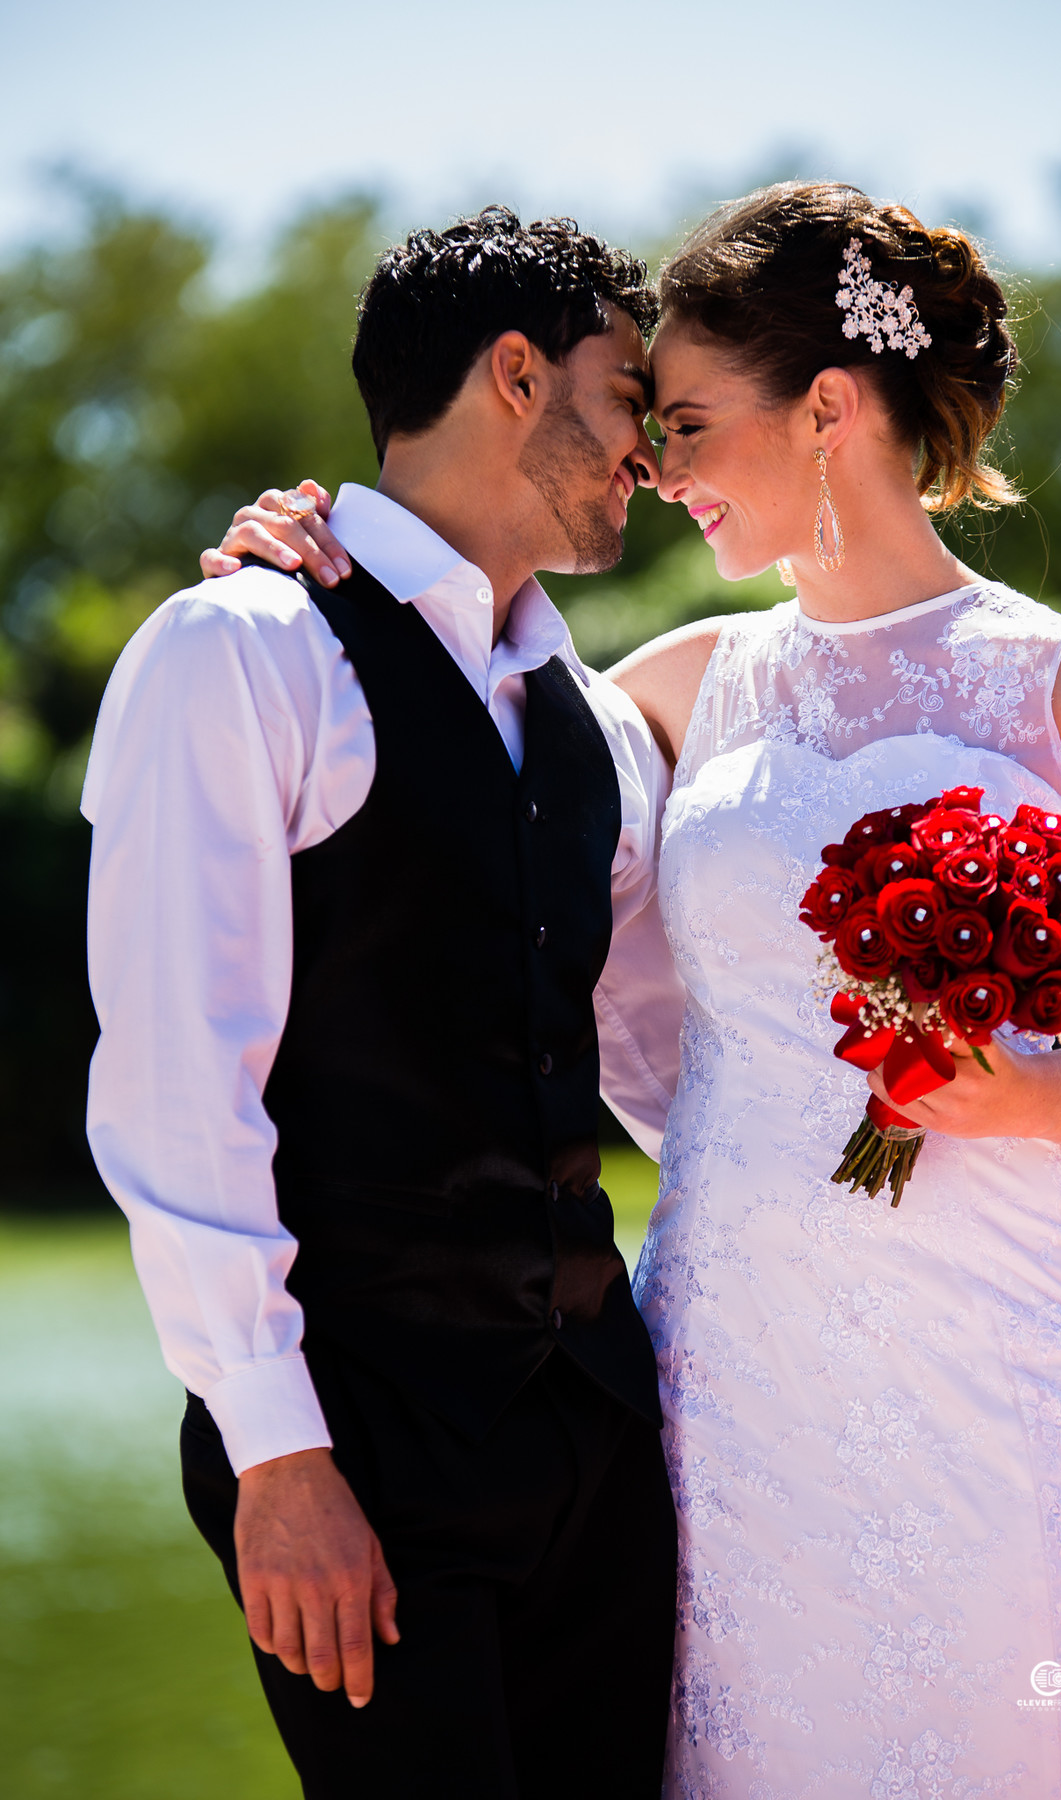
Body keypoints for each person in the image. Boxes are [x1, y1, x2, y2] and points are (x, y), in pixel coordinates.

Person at [212, 184, 1061, 1798]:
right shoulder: (664, 692)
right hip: (725, 1379)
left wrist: (1047, 1118)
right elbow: (445, 747)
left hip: (996, 1343)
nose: (652, 464)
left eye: (689, 419)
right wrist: (298, 561)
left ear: (829, 412)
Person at [83, 207, 683, 1800]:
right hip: (360, 1439)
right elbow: (170, 1087)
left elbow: (668, 1065)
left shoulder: (600, 724)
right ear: (513, 373)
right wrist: (278, 1454)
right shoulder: (240, 650)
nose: (652, 455)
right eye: (629, 397)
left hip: (602, 1434)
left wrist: (994, 1171)